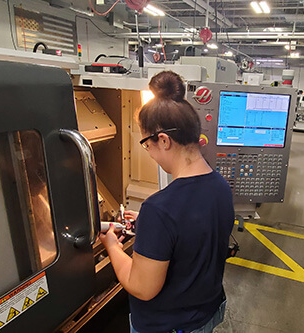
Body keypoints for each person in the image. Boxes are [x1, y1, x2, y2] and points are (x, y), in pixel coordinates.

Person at [99, 71, 235, 333]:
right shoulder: (220, 186)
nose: (148, 153)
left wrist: (112, 245)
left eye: (146, 144)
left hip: (169, 326)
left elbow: (142, 287)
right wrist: (147, 225)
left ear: (163, 140)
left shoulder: (159, 209)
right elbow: (192, 233)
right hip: (207, 314)